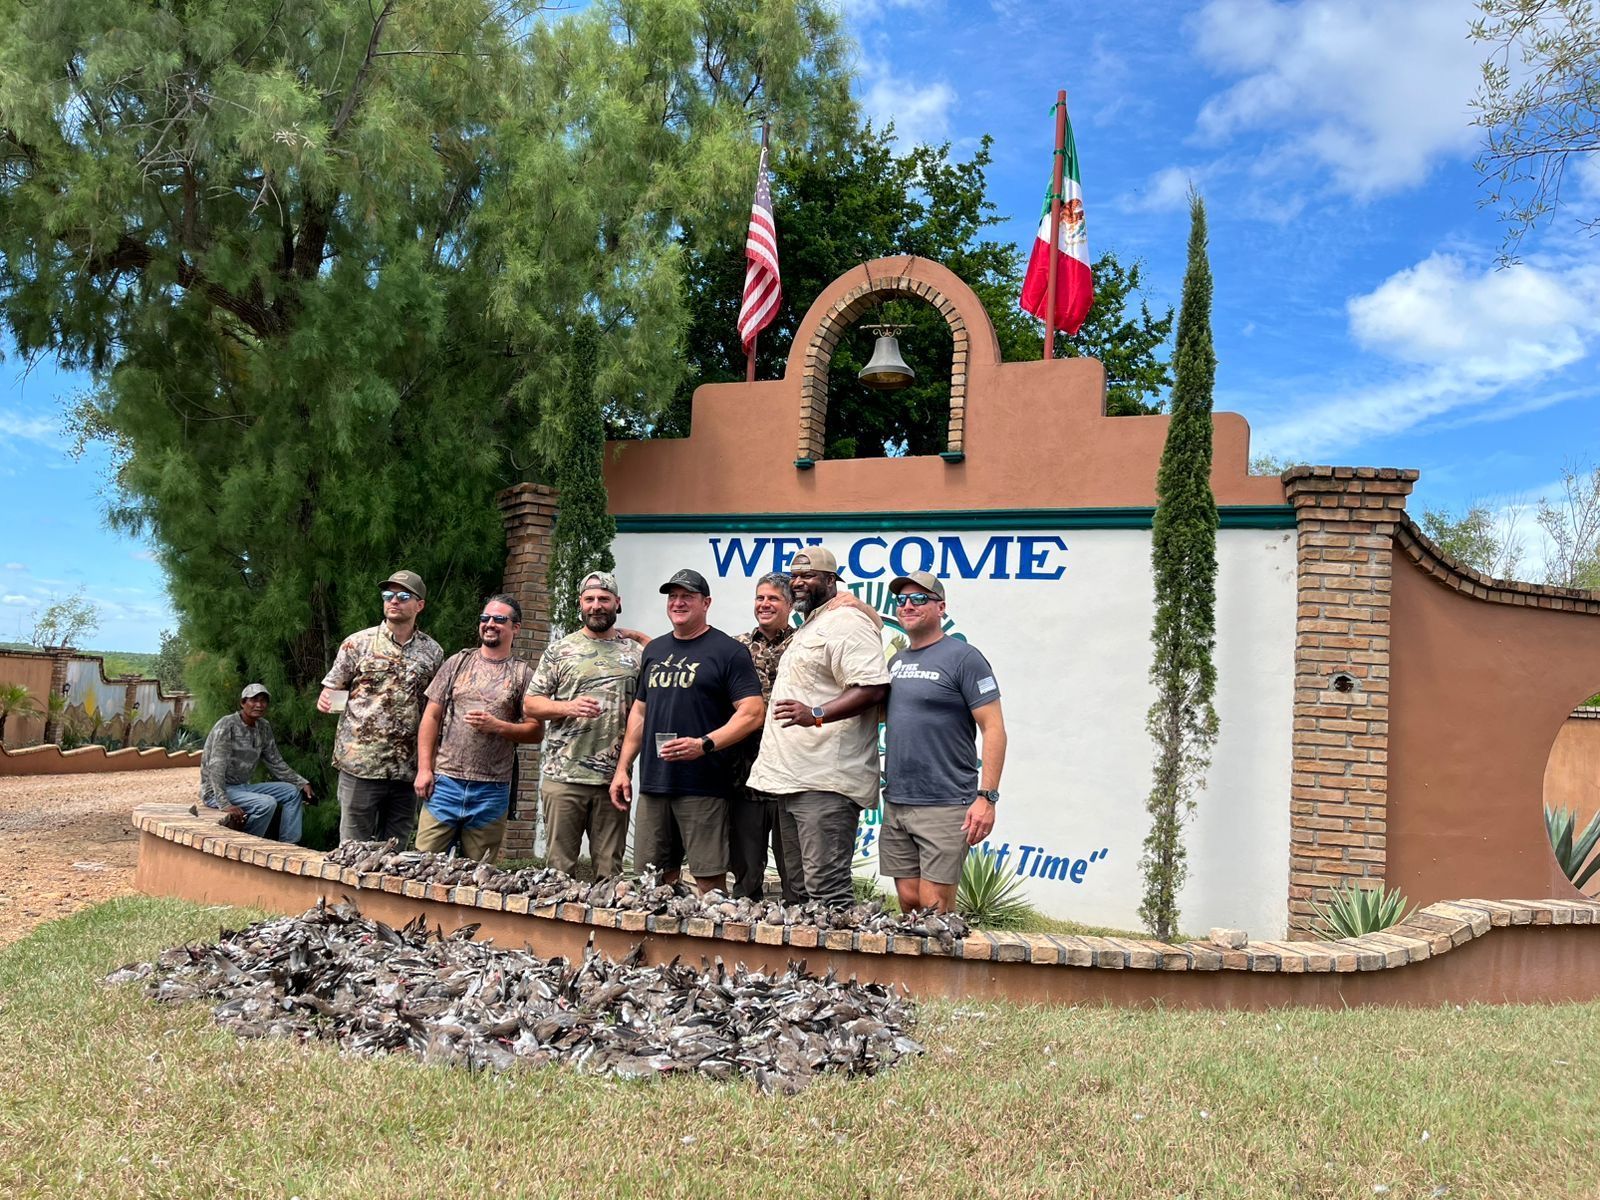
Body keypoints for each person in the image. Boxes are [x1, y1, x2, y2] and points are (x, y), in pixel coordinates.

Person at [748, 547, 891, 907]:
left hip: (825, 781)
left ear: (831, 580)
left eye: (809, 575)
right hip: (792, 779)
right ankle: (806, 966)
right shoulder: (814, 622)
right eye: (795, 576)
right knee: (798, 892)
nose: (798, 582)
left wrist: (816, 713)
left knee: (828, 892)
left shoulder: (847, 622)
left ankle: (842, 965)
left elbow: (872, 687)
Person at [609, 568, 764, 894]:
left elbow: (752, 713)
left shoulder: (728, 652)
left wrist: (705, 744)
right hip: (654, 784)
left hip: (704, 787)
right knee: (653, 881)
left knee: (709, 883)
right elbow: (640, 711)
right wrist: (623, 768)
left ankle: (708, 945)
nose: (678, 602)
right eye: (673, 596)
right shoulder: (654, 650)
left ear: (706, 602)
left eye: (687, 596)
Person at [881, 570, 1006, 913]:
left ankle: (943, 966)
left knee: (933, 906)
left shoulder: (964, 658)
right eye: (902, 600)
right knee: (907, 900)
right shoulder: (896, 662)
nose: (907, 605)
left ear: (941, 608)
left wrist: (988, 797)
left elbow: (993, 728)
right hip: (898, 802)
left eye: (919, 599)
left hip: (947, 802)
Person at [523, 571, 643, 877]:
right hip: (564, 778)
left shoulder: (636, 653)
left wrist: (644, 639)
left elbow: (646, 708)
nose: (596, 605)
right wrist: (568, 706)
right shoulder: (560, 650)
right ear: (580, 604)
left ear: (618, 603)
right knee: (559, 871)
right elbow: (531, 703)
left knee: (610, 873)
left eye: (604, 599)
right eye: (589, 599)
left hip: (613, 782)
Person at [317, 569, 444, 846]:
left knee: (395, 852)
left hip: (406, 768)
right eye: (388, 595)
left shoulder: (433, 652)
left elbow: (433, 710)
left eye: (402, 595)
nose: (393, 601)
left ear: (419, 605)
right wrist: (327, 697)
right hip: (361, 764)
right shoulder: (358, 643)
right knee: (353, 849)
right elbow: (333, 686)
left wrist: (428, 763)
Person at [413, 594, 544, 861]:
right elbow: (431, 717)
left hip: (492, 789)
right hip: (444, 783)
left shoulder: (522, 674)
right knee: (423, 867)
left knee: (478, 875)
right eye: (485, 618)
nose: (490, 624)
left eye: (499, 619)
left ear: (515, 628)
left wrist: (498, 726)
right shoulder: (457, 663)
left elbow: (535, 731)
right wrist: (424, 769)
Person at [729, 572, 800, 901]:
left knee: (795, 874)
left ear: (791, 604)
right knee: (745, 874)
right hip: (745, 778)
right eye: (760, 598)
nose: (764, 604)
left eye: (772, 598)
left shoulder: (804, 646)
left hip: (791, 779)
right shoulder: (735, 647)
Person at [200, 684, 315, 843]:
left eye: (263, 701)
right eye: (254, 700)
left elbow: (275, 761)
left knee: (292, 792)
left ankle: (289, 844)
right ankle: (248, 845)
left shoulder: (263, 727)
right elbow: (216, 767)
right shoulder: (227, 725)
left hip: (242, 787)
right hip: (216, 791)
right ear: (243, 703)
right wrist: (224, 802)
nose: (259, 705)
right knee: (266, 803)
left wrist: (301, 782)